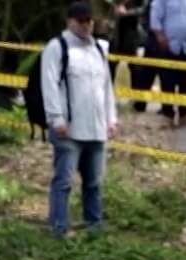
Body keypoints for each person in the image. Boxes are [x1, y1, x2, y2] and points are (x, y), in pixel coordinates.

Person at [41, 1, 119, 237]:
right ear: (70, 21)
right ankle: (59, 227)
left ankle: (94, 226)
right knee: (64, 182)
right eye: (81, 21)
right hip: (69, 129)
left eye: (89, 21)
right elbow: (50, 85)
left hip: (96, 129)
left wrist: (111, 119)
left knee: (94, 182)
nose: (86, 25)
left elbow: (106, 88)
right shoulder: (58, 48)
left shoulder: (98, 49)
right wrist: (56, 119)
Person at [147, 0, 186, 126]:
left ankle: (184, 116)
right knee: (167, 82)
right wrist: (160, 37)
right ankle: (167, 116)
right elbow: (155, 17)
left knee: (184, 83)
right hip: (167, 45)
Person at [112, 1, 156, 112]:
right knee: (110, 68)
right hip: (115, 35)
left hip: (132, 36)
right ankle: (108, 101)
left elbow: (145, 9)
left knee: (136, 70)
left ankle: (137, 102)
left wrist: (127, 12)